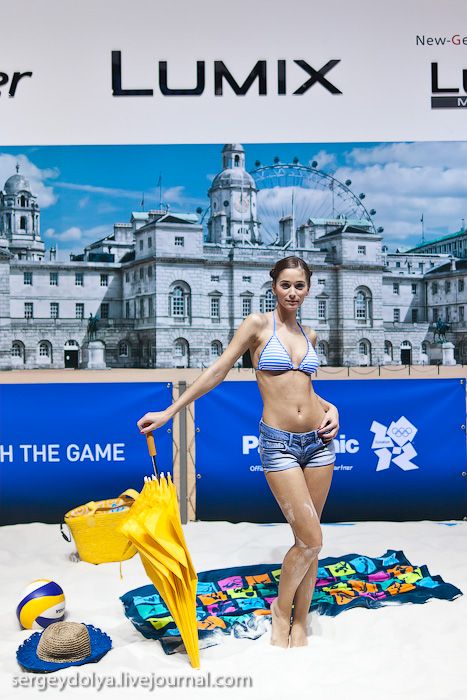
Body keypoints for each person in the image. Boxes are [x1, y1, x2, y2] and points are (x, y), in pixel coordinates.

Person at [137, 255, 340, 649]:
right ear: (274, 286)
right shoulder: (257, 325)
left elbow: (306, 390)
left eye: (300, 285)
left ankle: (300, 619)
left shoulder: (310, 335)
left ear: (309, 288)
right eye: (285, 285)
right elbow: (217, 371)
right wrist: (170, 410)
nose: (292, 292)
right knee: (312, 537)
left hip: (319, 442)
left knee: (308, 539)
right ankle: (282, 611)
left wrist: (334, 409)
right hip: (279, 443)